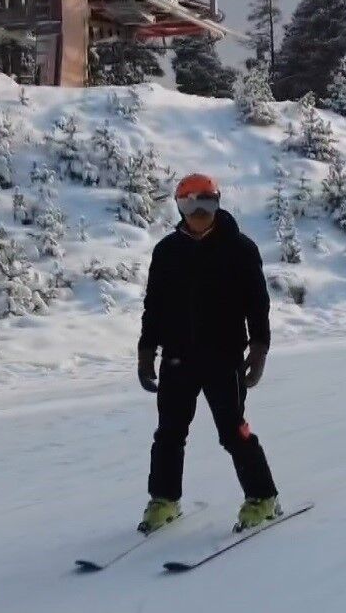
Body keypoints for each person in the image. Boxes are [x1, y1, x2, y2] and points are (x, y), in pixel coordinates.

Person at [136, 173, 280, 534]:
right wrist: (146, 350)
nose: (200, 212)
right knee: (169, 432)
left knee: (234, 431)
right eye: (190, 204)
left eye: (207, 203)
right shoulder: (166, 252)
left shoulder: (240, 248)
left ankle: (263, 498)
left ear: (218, 202)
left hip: (224, 357)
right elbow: (154, 306)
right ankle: (164, 500)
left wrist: (259, 347)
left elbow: (257, 304)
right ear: (179, 206)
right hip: (177, 359)